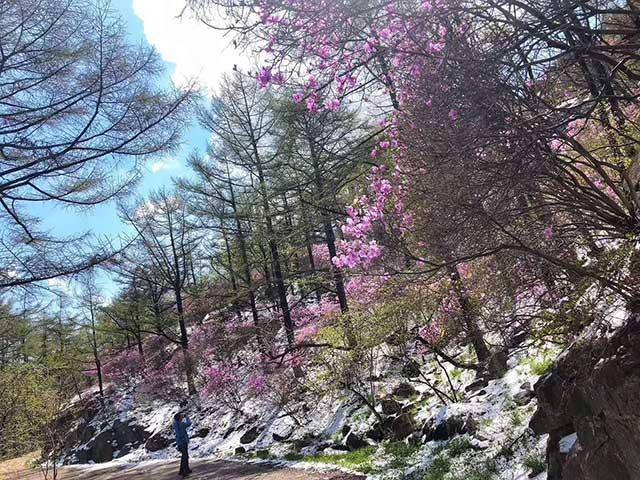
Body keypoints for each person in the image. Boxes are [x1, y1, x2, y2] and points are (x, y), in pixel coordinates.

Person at [173, 412, 192, 477]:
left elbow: (188, 424)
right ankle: (184, 471)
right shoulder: (178, 424)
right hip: (182, 442)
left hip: (182, 442)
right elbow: (179, 433)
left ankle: (183, 470)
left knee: (184, 456)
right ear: (179, 418)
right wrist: (186, 417)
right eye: (181, 416)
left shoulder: (179, 424)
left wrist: (186, 417)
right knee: (185, 456)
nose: (182, 417)